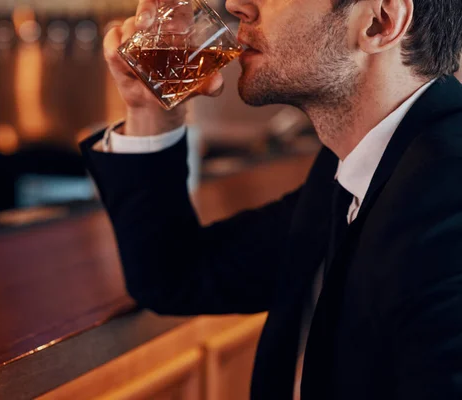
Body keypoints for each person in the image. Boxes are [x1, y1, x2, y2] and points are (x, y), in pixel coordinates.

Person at [80, 0, 462, 399]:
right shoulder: (359, 167)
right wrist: (152, 110)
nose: (236, 5)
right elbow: (174, 275)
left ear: (379, 23)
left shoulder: (449, 206)